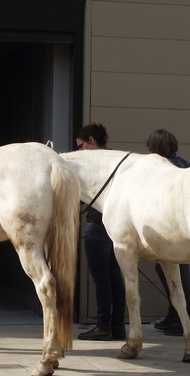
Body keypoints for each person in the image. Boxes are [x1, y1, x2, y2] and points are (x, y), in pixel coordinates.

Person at [76, 123, 126, 341]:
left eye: (80, 146)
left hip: (97, 224)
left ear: (91, 141)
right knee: (115, 277)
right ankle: (117, 327)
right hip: (114, 225)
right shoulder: (116, 160)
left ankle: (103, 325)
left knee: (102, 279)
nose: (79, 151)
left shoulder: (91, 165)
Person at [146, 128, 190, 336]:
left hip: (175, 227)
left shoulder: (166, 168)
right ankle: (174, 314)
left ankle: (187, 320)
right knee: (166, 270)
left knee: (180, 274)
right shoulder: (185, 164)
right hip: (183, 225)